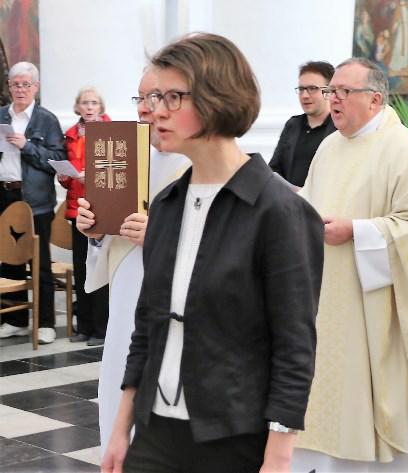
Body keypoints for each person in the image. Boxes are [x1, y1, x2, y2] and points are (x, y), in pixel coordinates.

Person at [96, 33, 324, 473]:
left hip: (234, 437)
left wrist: (278, 455)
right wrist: (121, 431)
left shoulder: (279, 211)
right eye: (155, 96)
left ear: (218, 96)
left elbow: (295, 347)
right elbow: (148, 328)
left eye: (173, 97)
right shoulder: (166, 206)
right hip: (156, 434)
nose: (157, 110)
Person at [292, 57, 408, 472]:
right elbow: (308, 201)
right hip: (326, 300)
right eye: (331, 91)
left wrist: (357, 231)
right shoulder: (329, 146)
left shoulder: (405, 150)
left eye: (342, 91)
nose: (332, 99)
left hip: (374, 306)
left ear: (375, 99)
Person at [76, 68, 191, 451]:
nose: (144, 108)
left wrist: (157, 234)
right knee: (121, 368)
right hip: (128, 285)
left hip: (174, 293)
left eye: (154, 98)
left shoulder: (197, 161)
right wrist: (94, 229)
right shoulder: (124, 149)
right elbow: (106, 228)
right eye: (139, 98)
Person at [0, 61, 65, 344]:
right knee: (7, 260)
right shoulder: (1, 116)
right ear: (9, 87)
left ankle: (46, 322)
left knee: (39, 263)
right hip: (5, 194)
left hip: (35, 199)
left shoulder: (46, 120)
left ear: (36, 87)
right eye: (16, 84)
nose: (20, 89)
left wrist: (27, 146)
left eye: (26, 84)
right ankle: (14, 320)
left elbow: (56, 162)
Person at [58, 87, 110, 346]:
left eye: (94, 103)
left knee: (100, 270)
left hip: (103, 208)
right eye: (84, 103)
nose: (89, 107)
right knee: (81, 270)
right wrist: (65, 177)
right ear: (77, 107)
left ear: (101, 107)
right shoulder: (70, 136)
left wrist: (94, 175)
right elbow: (69, 181)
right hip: (76, 208)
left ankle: (102, 328)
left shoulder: (113, 133)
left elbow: (119, 169)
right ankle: (84, 326)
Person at [269, 61, 336, 187]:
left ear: (328, 91)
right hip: (290, 203)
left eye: (312, 89)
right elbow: (274, 169)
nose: (305, 95)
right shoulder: (293, 125)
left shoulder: (339, 129)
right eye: (301, 89)